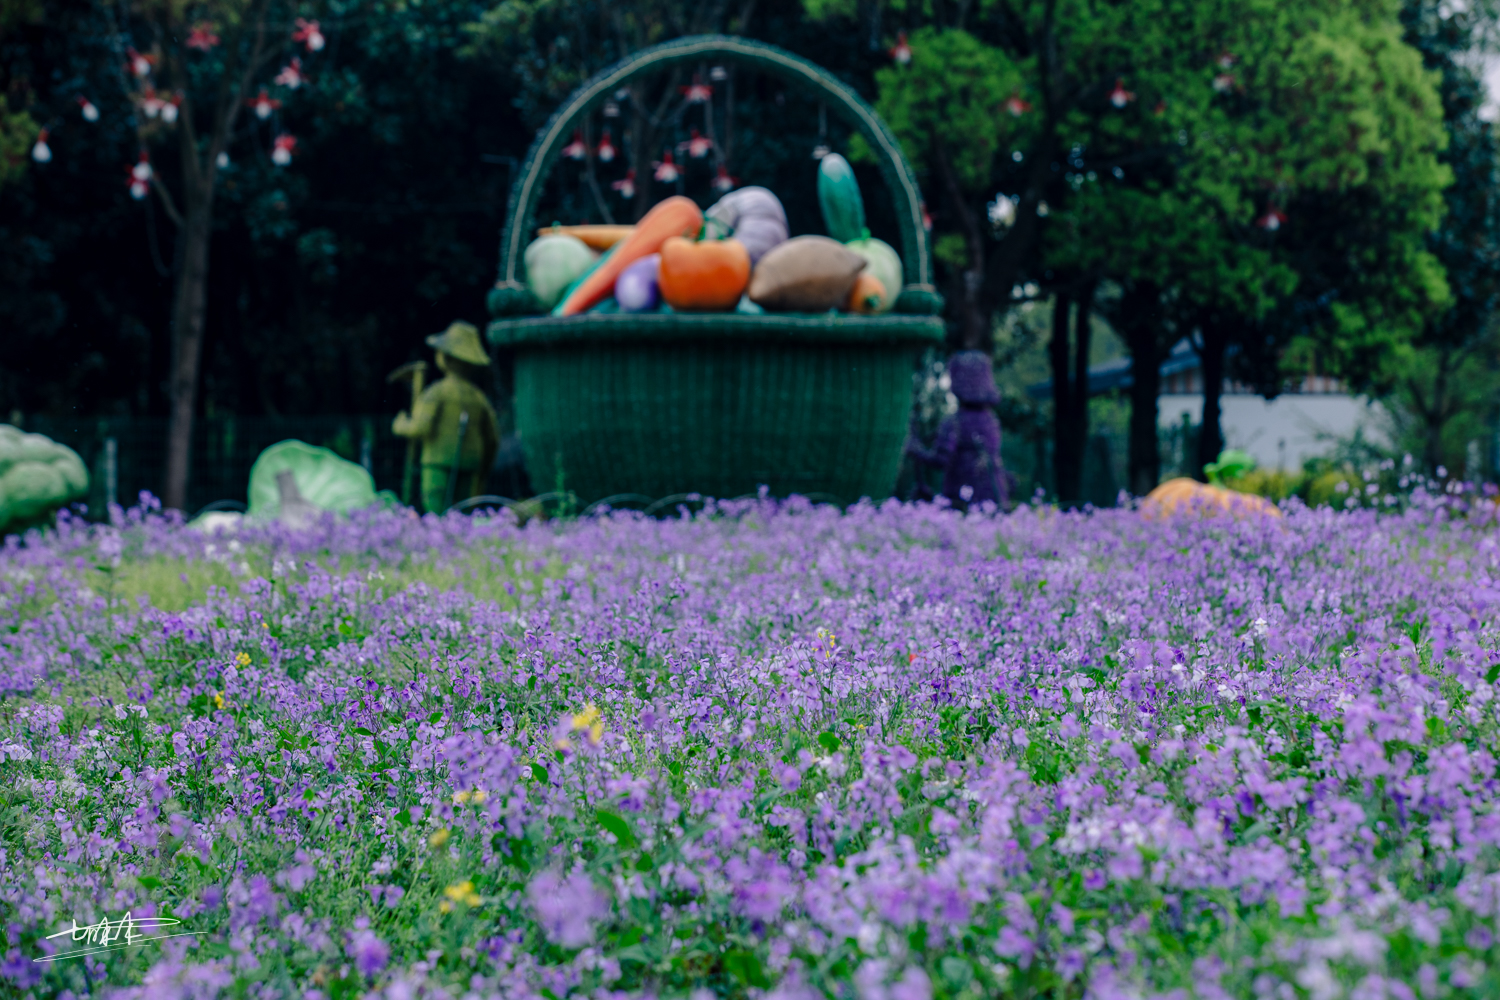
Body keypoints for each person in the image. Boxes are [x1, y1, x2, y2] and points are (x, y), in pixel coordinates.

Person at [393, 322, 501, 514]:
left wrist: (401, 424)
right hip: (471, 464)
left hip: (437, 463)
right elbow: (493, 439)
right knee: (465, 514)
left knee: (436, 512)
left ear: (445, 358)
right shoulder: (479, 398)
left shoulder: (436, 393)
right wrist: (484, 469)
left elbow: (420, 428)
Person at [906, 351, 1008, 508]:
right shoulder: (992, 420)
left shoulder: (955, 422)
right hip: (994, 498)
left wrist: (916, 450)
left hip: (960, 499)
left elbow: (941, 460)